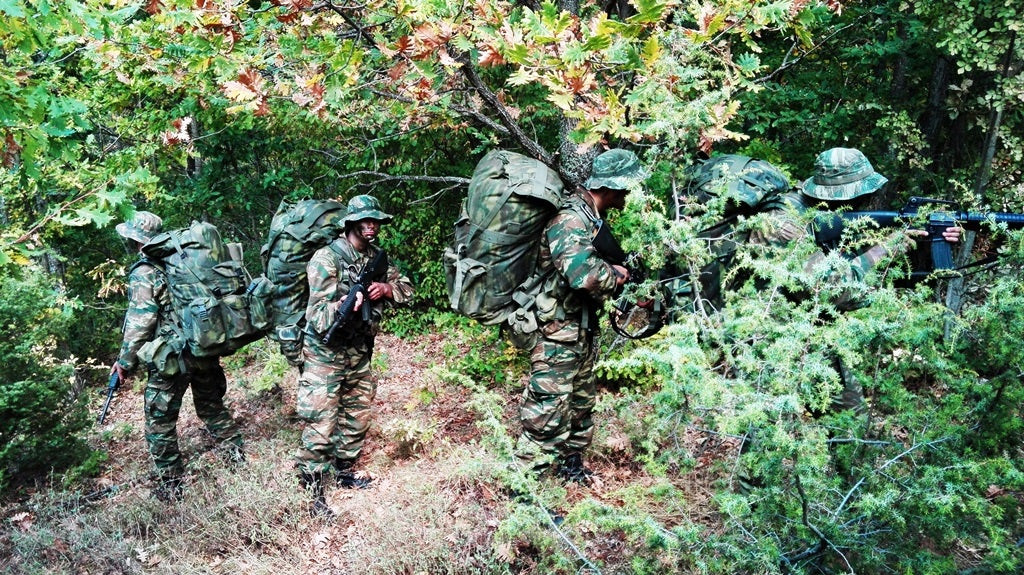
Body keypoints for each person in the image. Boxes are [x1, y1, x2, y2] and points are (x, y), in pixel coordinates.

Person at [746, 147, 960, 413]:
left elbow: (872, 274)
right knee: (764, 421)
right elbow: (832, 289)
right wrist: (883, 249)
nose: (865, 200)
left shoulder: (833, 215)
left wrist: (930, 237)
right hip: (767, 335)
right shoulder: (784, 223)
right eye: (860, 194)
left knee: (849, 419)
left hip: (812, 330)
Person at [515, 149, 640, 484]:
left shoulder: (590, 218)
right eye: (625, 186)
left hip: (578, 331)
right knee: (546, 413)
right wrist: (617, 277)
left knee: (581, 404)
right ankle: (525, 494)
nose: (628, 193)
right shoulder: (569, 219)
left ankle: (570, 468)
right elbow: (583, 275)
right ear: (611, 186)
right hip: (555, 334)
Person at [111, 211, 244, 502]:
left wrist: (125, 362)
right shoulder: (182, 259)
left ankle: (171, 487)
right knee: (212, 408)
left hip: (171, 357)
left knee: (159, 424)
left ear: (136, 239)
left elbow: (141, 322)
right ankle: (238, 461)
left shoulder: (144, 271)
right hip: (202, 346)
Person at [295, 194, 413, 515]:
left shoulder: (376, 258)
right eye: (365, 221)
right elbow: (316, 316)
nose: (371, 226)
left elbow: (407, 288)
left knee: (357, 413)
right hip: (325, 351)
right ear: (351, 224)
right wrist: (345, 305)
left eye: (375, 221)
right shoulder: (326, 259)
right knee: (321, 419)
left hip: (358, 349)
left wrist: (386, 289)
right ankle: (313, 488)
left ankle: (343, 470)